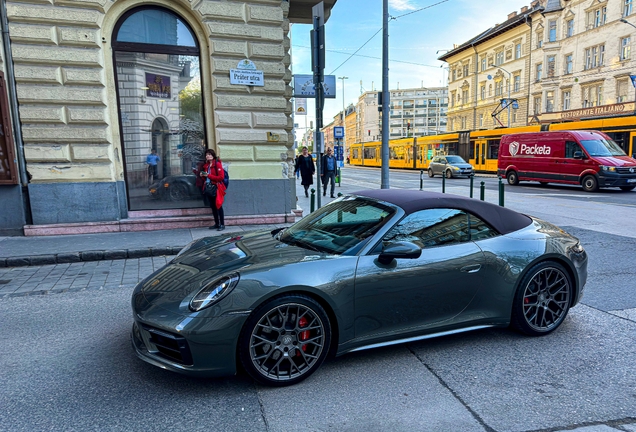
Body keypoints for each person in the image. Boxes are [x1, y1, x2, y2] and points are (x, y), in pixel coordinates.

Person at [201, 149, 226, 231]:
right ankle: (216, 223)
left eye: (209, 154)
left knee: (218, 206)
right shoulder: (206, 166)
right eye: (206, 155)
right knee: (213, 206)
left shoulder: (217, 164)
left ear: (213, 155)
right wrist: (202, 175)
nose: (208, 156)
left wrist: (208, 175)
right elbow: (206, 178)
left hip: (216, 188)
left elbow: (221, 177)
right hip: (208, 188)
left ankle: (222, 224)